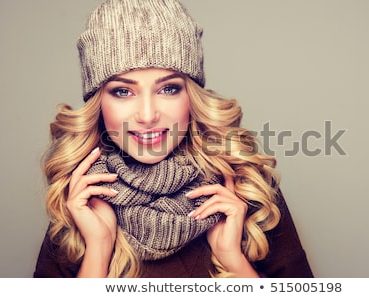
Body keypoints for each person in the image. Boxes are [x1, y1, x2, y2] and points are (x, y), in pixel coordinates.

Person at [34, 0, 314, 278]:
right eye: (122, 91)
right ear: (99, 103)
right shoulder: (82, 196)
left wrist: (233, 260)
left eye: (168, 88)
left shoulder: (247, 185)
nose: (147, 115)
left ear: (192, 97)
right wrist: (99, 248)